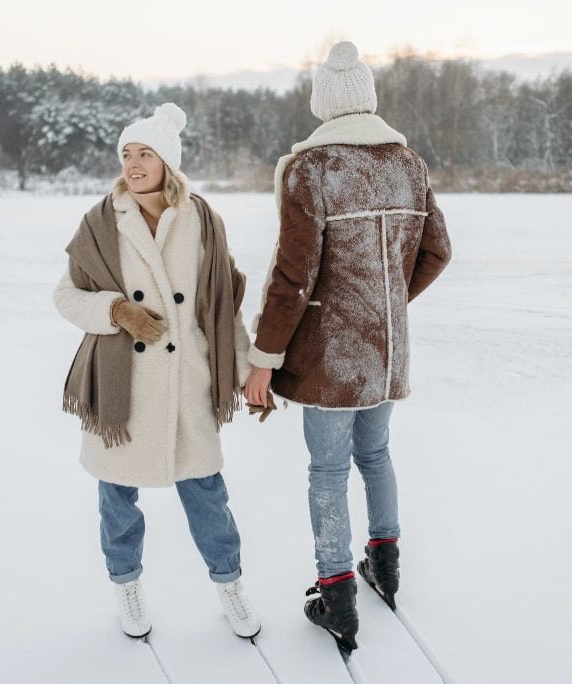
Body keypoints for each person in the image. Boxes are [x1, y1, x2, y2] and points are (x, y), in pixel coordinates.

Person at [243, 42, 452, 651]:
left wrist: (264, 357)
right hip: (385, 353)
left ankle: (336, 593)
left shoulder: (314, 168)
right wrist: (385, 305)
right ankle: (385, 567)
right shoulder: (408, 164)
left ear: (324, 104)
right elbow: (437, 251)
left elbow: (293, 276)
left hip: (329, 358)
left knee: (328, 471)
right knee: (377, 455)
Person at [54, 103, 260, 640]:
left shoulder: (203, 220)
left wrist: (246, 376)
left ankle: (230, 585)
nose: (134, 163)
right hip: (122, 393)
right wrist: (116, 311)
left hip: (189, 381)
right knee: (117, 502)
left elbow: (222, 310)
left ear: (168, 161)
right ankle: (126, 587)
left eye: (145, 153)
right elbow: (65, 295)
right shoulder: (100, 221)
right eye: (127, 153)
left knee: (208, 496)